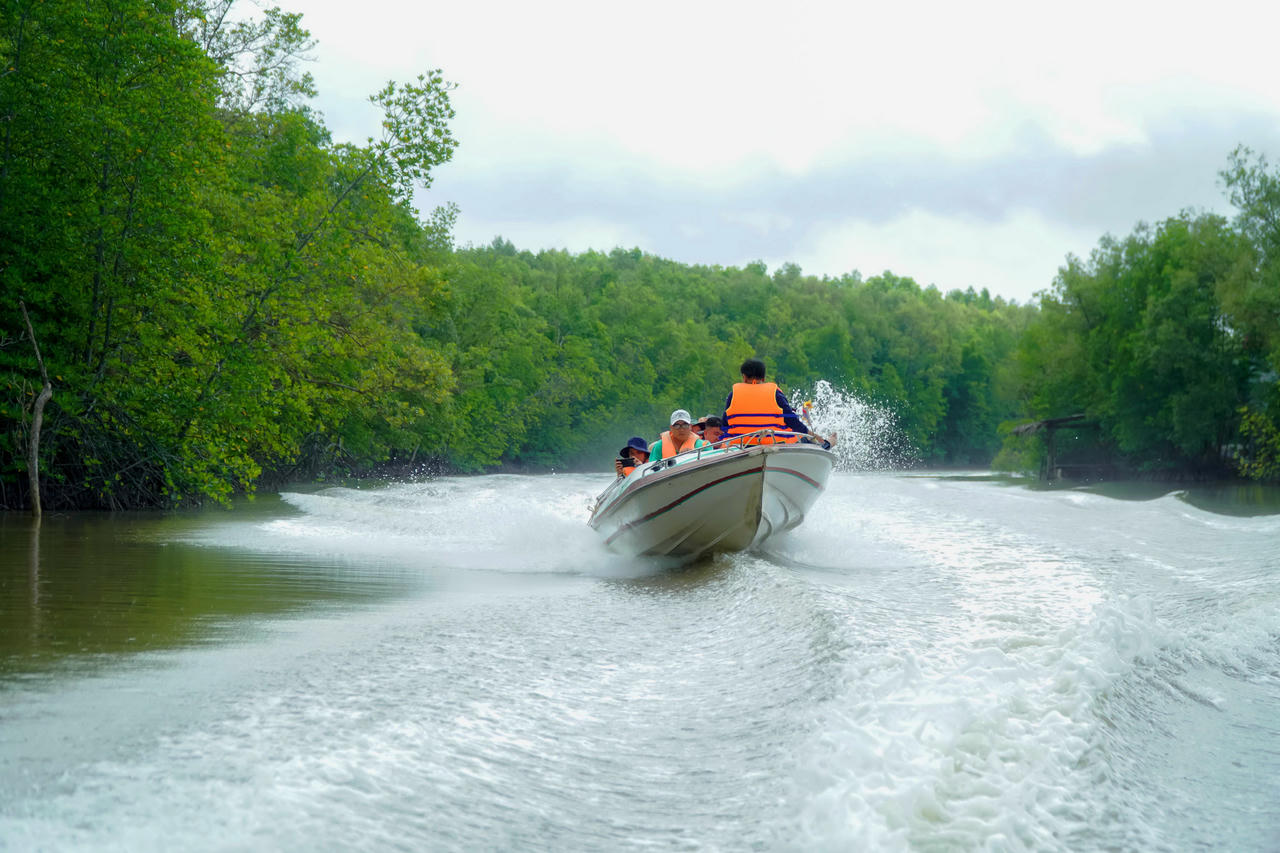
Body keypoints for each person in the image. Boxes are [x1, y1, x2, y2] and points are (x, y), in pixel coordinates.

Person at [722, 358, 831, 447]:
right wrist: (813, 435)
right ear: (764, 378)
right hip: (774, 444)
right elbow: (791, 420)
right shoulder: (775, 393)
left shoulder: (733, 395)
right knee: (804, 439)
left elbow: (725, 424)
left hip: (741, 445)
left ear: (744, 377)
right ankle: (828, 442)